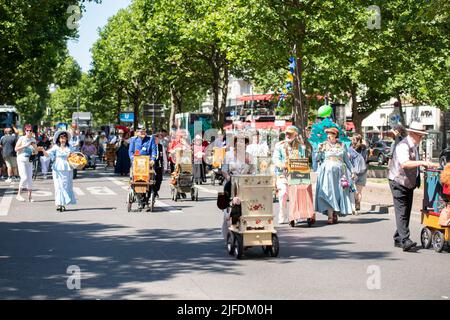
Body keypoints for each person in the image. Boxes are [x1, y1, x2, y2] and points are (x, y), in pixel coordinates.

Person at [388, 121, 438, 251]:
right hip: (398, 181)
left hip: (408, 183)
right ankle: (405, 240)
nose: (421, 138)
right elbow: (405, 163)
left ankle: (398, 238)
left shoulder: (414, 145)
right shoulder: (403, 145)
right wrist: (422, 162)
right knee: (401, 211)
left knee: (406, 210)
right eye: (419, 135)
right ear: (412, 133)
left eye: (422, 136)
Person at [273, 126, 315, 225]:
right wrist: (282, 165)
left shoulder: (300, 146)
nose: (288, 135)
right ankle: (283, 216)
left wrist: (303, 149)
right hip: (283, 174)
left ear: (295, 135)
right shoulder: (279, 145)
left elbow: (303, 159)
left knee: (296, 194)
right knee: (283, 194)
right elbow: (276, 159)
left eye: (290, 133)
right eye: (287, 133)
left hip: (296, 175)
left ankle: (295, 215)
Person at [315, 127, 355, 224]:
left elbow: (347, 160)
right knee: (328, 192)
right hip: (326, 174)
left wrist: (353, 171)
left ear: (335, 135)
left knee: (338, 193)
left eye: (331, 134)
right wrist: (319, 151)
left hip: (340, 173)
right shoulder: (323, 145)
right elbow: (317, 159)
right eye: (328, 134)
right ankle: (330, 215)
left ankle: (335, 213)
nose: (329, 136)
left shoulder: (342, 145)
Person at [221, 136, 255, 239]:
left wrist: (251, 176)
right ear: (235, 144)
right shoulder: (228, 155)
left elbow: (254, 171)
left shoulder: (250, 156)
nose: (241, 144)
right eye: (238, 142)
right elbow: (224, 170)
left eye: (243, 142)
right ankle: (228, 213)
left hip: (246, 184)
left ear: (246, 144)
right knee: (228, 188)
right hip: (232, 182)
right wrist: (229, 177)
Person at [39, 130, 77, 211]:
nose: (63, 140)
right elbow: (47, 155)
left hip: (67, 168)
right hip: (57, 168)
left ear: (67, 139)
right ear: (59, 139)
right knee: (58, 186)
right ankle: (59, 204)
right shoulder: (56, 147)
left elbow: (74, 156)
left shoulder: (70, 147)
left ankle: (63, 204)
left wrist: (77, 160)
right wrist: (43, 150)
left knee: (65, 186)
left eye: (64, 138)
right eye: (61, 138)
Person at [128, 127, 158, 209]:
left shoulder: (150, 139)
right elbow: (130, 152)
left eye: (144, 131)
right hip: (136, 164)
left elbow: (154, 151)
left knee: (150, 181)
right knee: (136, 181)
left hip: (147, 164)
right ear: (137, 132)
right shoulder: (133, 140)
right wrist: (133, 159)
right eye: (140, 131)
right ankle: (140, 200)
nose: (142, 133)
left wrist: (153, 159)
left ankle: (147, 198)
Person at [14, 125, 37, 202]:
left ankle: (30, 197)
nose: (29, 132)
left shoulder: (33, 139)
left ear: (32, 131)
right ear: (25, 131)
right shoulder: (22, 138)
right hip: (21, 159)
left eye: (30, 130)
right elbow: (16, 149)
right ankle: (18, 195)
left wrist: (34, 149)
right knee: (24, 177)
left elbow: (36, 152)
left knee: (30, 178)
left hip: (29, 160)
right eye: (27, 130)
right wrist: (24, 145)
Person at [349, 134, 368, 212]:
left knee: (354, 190)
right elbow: (366, 159)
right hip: (363, 172)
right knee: (359, 191)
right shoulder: (364, 149)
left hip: (354, 172)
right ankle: (358, 203)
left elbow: (349, 161)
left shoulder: (350, 149)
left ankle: (354, 206)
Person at [153, 134, 168, 198]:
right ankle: (153, 192)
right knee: (152, 179)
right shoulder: (151, 146)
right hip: (152, 166)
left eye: (157, 139)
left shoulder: (161, 146)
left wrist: (165, 167)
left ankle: (156, 190)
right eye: (155, 139)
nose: (156, 140)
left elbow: (164, 157)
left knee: (159, 179)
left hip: (159, 165)